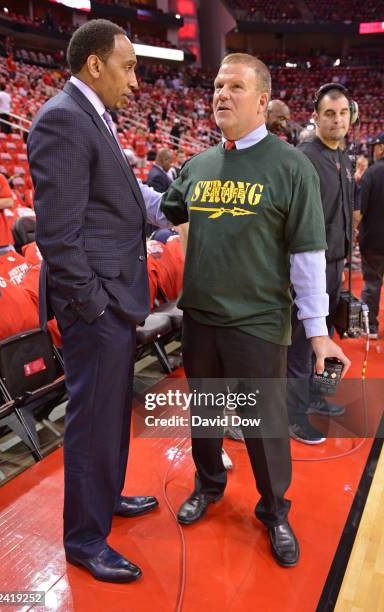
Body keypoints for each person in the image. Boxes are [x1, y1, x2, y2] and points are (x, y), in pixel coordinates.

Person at [161, 53, 350, 568]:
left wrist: (318, 332)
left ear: (263, 101)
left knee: (264, 426)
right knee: (206, 415)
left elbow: (309, 255)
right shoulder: (198, 164)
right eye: (218, 85)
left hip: (260, 323)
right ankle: (209, 484)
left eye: (236, 87)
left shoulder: (290, 166)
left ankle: (274, 511)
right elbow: (167, 211)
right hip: (200, 318)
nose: (221, 94)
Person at [27, 19, 170, 584]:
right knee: (91, 420)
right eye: (129, 66)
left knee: (113, 412)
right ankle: (84, 538)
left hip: (115, 294)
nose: (135, 80)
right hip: (97, 303)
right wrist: (92, 304)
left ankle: (105, 497)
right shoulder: (64, 119)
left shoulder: (92, 117)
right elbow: (58, 235)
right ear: (95, 64)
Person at [287, 83, 357, 444]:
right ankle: (294, 414)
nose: (337, 120)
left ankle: (318, 396)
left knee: (326, 336)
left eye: (343, 113)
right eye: (329, 113)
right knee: (302, 342)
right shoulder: (303, 157)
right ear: (315, 118)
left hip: (337, 263)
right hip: (309, 265)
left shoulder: (343, 159)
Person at [359, 132, 384, 340]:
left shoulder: (371, 173)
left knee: (372, 284)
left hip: (373, 242)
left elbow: (360, 211)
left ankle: (370, 327)